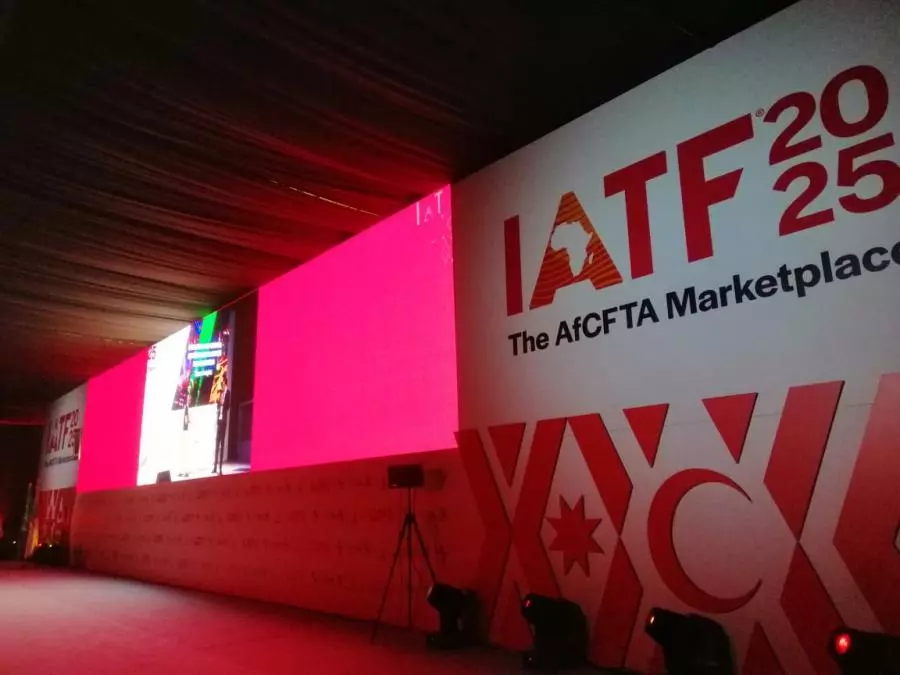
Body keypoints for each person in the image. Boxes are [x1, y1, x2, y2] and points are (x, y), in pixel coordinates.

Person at [213, 376, 231, 475]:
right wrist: (219, 404)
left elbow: (228, 406)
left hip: (223, 421)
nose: (221, 385)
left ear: (225, 383)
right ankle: (215, 467)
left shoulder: (228, 393)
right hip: (219, 421)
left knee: (222, 444)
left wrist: (223, 404)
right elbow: (217, 405)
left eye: (223, 383)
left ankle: (220, 468)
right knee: (217, 443)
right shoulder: (220, 393)